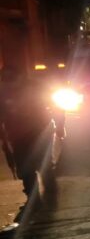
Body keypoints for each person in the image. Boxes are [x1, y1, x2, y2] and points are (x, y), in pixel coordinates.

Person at [0, 66, 64, 207]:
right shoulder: (4, 92)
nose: (9, 81)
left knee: (44, 166)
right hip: (18, 137)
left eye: (11, 77)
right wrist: (4, 140)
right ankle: (34, 200)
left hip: (39, 134)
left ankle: (50, 198)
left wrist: (60, 126)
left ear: (21, 77)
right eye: (6, 78)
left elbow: (56, 107)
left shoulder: (36, 88)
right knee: (26, 169)